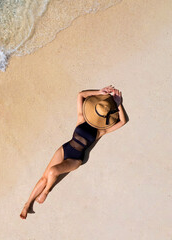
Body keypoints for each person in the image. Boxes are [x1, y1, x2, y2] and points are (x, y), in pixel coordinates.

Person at [20, 85, 127, 219]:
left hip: (76, 159)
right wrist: (99, 92)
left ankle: (46, 191)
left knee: (53, 172)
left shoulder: (101, 131)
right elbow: (80, 95)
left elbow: (122, 121)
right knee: (44, 177)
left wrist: (119, 105)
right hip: (65, 148)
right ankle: (27, 204)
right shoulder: (82, 117)